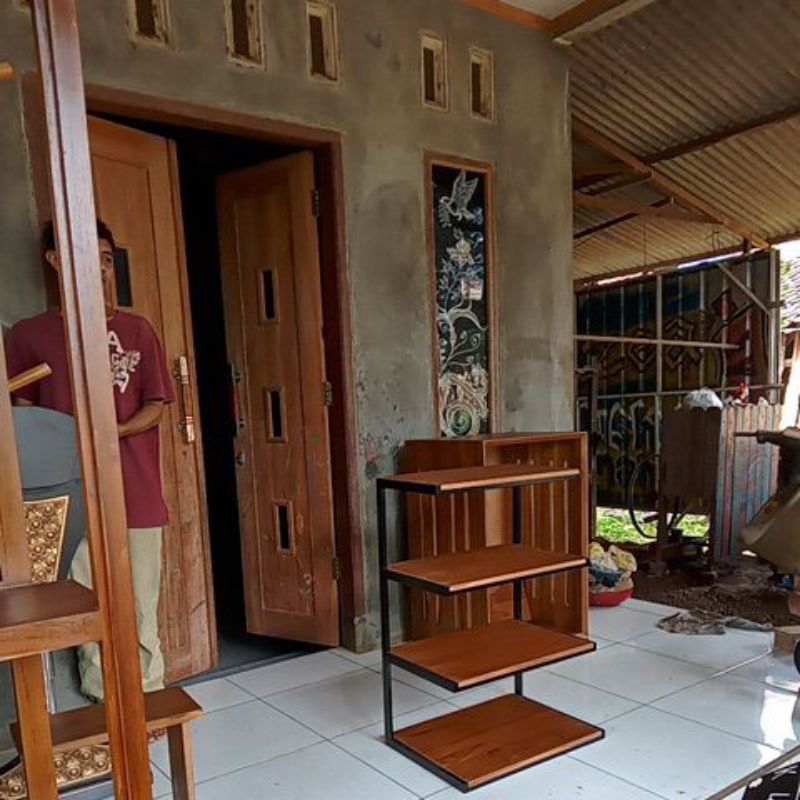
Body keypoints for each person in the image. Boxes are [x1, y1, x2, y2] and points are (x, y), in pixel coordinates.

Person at [5, 219, 174, 702]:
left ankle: (149, 695)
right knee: (88, 601)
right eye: (86, 255)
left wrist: (112, 432)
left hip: (135, 486)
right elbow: (23, 415)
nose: (99, 268)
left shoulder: (137, 330)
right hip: (69, 492)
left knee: (141, 600)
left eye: (105, 258)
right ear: (56, 260)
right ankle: (105, 699)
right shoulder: (29, 335)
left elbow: (157, 403)